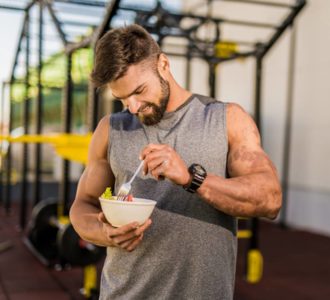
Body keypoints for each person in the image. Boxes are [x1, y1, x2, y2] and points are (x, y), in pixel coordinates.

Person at [70, 24, 281, 300]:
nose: (133, 107)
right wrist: (106, 233)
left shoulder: (226, 119)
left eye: (139, 91)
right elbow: (82, 205)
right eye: (122, 99)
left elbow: (270, 198)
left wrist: (192, 179)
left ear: (164, 63)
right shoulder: (111, 129)